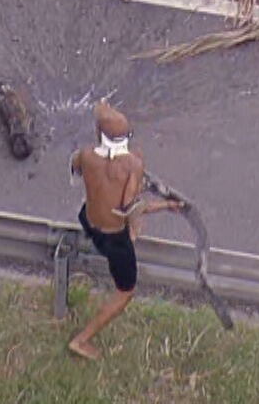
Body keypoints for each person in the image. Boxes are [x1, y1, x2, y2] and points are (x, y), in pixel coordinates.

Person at [67, 101, 181, 359]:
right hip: (113, 239)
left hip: (88, 221)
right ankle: (81, 340)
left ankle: (131, 232)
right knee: (125, 292)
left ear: (99, 134)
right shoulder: (132, 165)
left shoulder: (84, 155)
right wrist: (166, 205)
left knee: (106, 209)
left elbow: (77, 171)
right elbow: (130, 208)